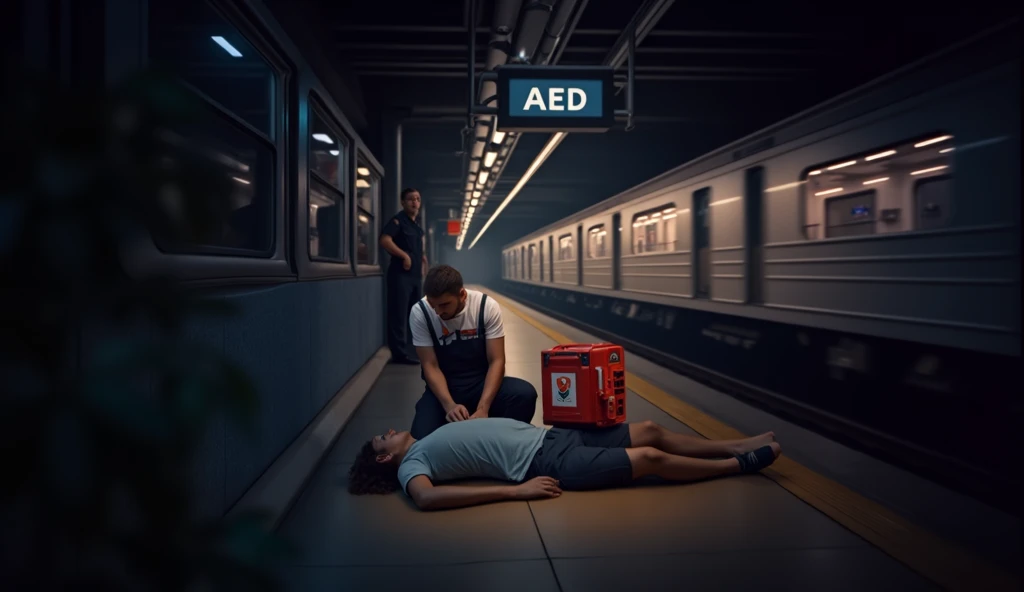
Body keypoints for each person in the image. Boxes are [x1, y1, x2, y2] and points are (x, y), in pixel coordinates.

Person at [347, 417, 782, 510]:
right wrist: (516, 491)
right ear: (386, 456)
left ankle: (735, 443)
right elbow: (425, 499)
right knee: (650, 459)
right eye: (382, 435)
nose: (387, 428)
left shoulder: (427, 436)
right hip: (552, 460)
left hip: (552, 435)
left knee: (649, 429)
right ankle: (738, 466)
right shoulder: (410, 465)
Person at [407, 264, 537, 439]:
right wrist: (449, 406)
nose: (438, 312)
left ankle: (502, 444)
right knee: (420, 438)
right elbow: (430, 365)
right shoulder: (420, 312)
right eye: (433, 305)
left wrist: (484, 407)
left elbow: (497, 361)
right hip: (444, 389)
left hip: (481, 384)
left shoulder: (485, 307)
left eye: (444, 305)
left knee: (524, 394)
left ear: (462, 295)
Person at [379, 187, 428, 364]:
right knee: (399, 315)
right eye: (410, 199)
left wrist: (422, 259)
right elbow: (384, 240)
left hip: (415, 277)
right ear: (403, 202)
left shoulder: (416, 226)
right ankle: (400, 354)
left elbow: (416, 248)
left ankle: (411, 351)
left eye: (417, 199)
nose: (415, 202)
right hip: (400, 276)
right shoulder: (397, 221)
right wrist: (404, 255)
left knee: (414, 315)